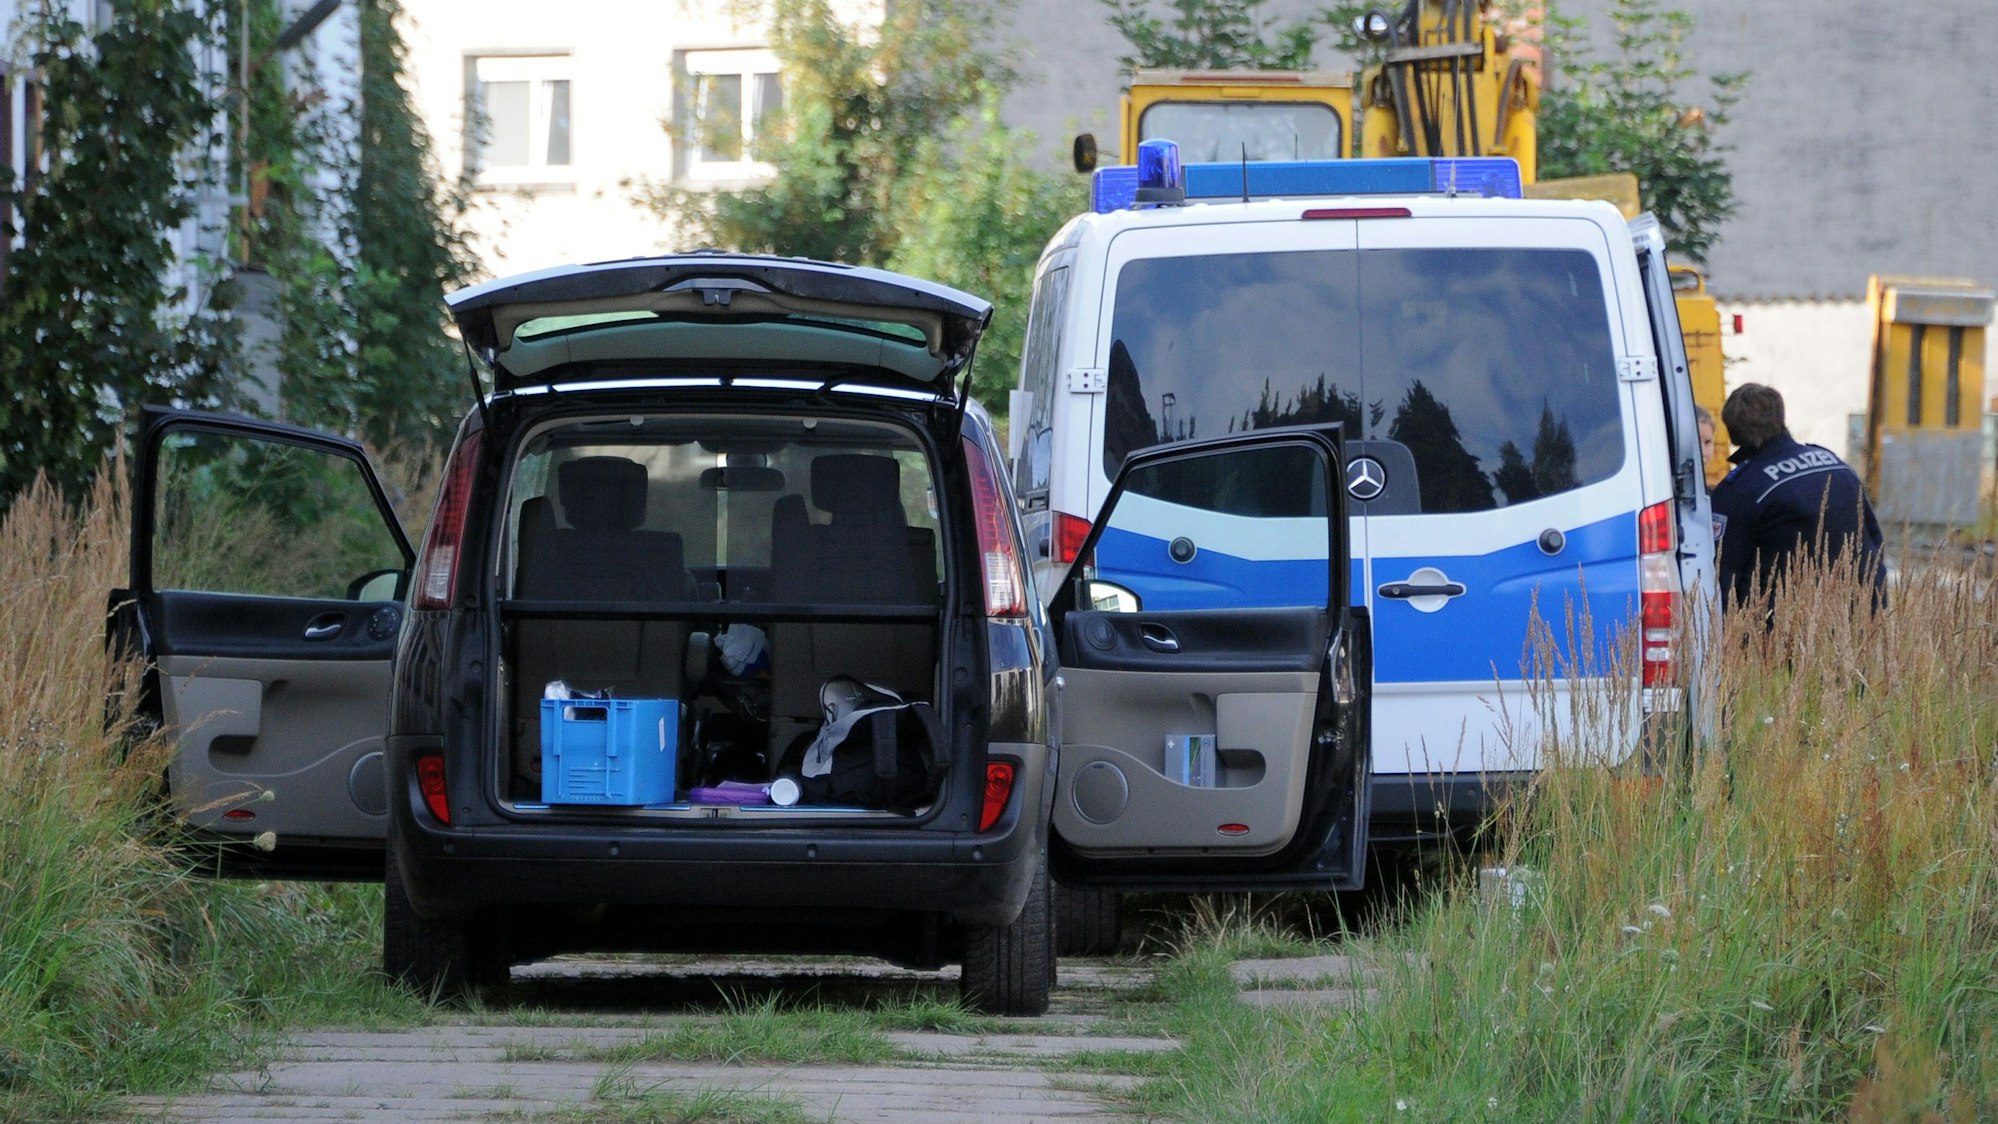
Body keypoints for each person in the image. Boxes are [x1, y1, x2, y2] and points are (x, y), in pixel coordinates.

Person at [1709, 383, 1886, 613]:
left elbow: (1723, 573)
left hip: (1783, 630)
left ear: (1733, 432)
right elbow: (1873, 536)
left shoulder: (1741, 488)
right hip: (1860, 613)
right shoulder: (1834, 464)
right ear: (1780, 419)